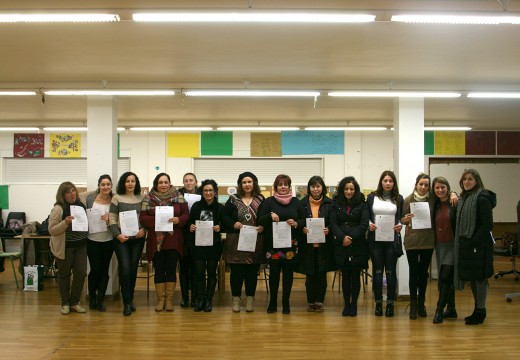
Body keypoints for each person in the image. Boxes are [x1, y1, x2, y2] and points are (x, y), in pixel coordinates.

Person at [140, 173, 189, 312]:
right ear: (156, 184)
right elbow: (143, 218)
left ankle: (169, 300)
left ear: (170, 183)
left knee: (172, 269)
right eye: (160, 182)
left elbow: (186, 215)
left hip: (173, 239)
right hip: (156, 241)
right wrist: (158, 219)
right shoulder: (148, 198)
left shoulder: (179, 197)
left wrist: (178, 220)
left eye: (165, 182)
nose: (163, 185)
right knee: (159, 270)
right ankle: (160, 300)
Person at [258, 174, 305, 314]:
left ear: (289, 187)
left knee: (288, 275)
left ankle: (286, 302)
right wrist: (269, 216)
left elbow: (304, 219)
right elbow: (259, 220)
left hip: (290, 245)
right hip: (273, 245)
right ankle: (272, 302)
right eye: (280, 184)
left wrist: (296, 223)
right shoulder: (268, 202)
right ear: (275, 187)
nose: (283, 187)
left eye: (285, 184)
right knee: (273, 274)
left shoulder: (296, 202)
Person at [455, 168, 496, 325]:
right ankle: (477, 310)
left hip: (479, 246)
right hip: (468, 245)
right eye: (464, 179)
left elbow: (487, 225)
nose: (466, 182)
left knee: (479, 279)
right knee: (472, 278)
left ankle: (481, 311)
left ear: (477, 181)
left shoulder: (482, 199)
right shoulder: (465, 198)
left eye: (470, 179)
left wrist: (473, 242)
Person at [222, 172, 265, 313]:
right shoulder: (233, 199)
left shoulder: (261, 199)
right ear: (240, 184)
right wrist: (233, 223)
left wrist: (263, 226)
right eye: (244, 182)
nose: (247, 184)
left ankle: (250, 299)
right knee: (236, 272)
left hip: (254, 241)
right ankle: (236, 299)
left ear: (254, 183)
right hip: (235, 241)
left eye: (250, 182)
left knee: (252, 272)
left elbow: (264, 217)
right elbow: (223, 216)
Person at [330, 176, 369, 317]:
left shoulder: (362, 204)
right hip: (341, 245)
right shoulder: (335, 204)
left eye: (352, 189)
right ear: (342, 190)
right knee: (345, 276)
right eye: (346, 189)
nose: (349, 191)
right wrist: (342, 238)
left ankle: (354, 306)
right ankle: (347, 304)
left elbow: (364, 223)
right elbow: (333, 223)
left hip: (358, 245)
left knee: (355, 276)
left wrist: (351, 237)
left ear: (355, 190)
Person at [367, 170, 403, 317]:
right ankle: (378, 304)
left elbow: (400, 217)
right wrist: (369, 223)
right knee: (377, 271)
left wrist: (400, 224)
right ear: (381, 182)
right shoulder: (371, 197)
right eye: (385, 180)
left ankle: (390, 304)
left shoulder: (398, 198)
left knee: (390, 271)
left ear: (394, 183)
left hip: (391, 240)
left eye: (390, 181)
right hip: (375, 239)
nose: (388, 183)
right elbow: (367, 216)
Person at [49, 181, 88, 315]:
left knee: (81, 273)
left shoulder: (81, 201)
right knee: (64, 275)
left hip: (81, 245)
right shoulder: (58, 209)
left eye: (73, 191)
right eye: (68, 192)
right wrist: (65, 222)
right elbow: (52, 230)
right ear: (62, 195)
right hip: (65, 247)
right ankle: (65, 303)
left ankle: (75, 302)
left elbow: (95, 192)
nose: (72, 194)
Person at [109, 171, 146, 316]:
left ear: (136, 183)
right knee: (124, 269)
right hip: (121, 240)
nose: (130, 184)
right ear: (123, 183)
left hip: (137, 239)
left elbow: (145, 218)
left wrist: (145, 230)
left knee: (132, 269)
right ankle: (126, 303)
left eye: (133, 181)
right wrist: (117, 235)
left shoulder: (142, 198)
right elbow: (112, 219)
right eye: (127, 181)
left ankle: (130, 299)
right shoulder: (116, 198)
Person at [298, 176, 336, 313]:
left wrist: (329, 229)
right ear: (309, 188)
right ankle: (310, 301)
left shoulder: (330, 204)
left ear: (322, 188)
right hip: (307, 245)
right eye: (313, 186)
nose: (315, 189)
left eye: (318, 186)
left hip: (323, 246)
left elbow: (334, 222)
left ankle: (319, 301)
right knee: (310, 275)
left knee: (321, 275)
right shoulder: (301, 204)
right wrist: (302, 228)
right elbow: (299, 221)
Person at [401, 173, 435, 320]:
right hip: (412, 242)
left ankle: (422, 304)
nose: (423, 187)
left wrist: (453, 193)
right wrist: (405, 219)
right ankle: (413, 305)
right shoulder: (408, 199)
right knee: (413, 273)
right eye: (421, 184)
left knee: (423, 274)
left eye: (426, 185)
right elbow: (402, 219)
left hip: (428, 241)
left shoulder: (433, 200)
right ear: (416, 184)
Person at [188, 179, 225, 312]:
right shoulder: (196, 206)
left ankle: (209, 299)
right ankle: (200, 299)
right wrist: (191, 226)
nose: (208, 193)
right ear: (202, 192)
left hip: (213, 245)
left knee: (211, 273)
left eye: (210, 190)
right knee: (198, 273)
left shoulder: (220, 207)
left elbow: (225, 225)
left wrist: (219, 227)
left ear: (215, 192)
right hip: (198, 245)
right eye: (205, 190)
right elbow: (189, 222)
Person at [79, 174, 114, 312]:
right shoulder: (90, 198)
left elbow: (118, 219)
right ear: (99, 186)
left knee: (104, 271)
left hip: (109, 240)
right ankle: (92, 296)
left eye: (108, 184)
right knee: (94, 270)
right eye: (103, 184)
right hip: (92, 240)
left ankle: (100, 300)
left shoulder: (114, 199)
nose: (105, 187)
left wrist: (110, 220)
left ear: (111, 186)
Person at [431, 176, 458, 324]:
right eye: (437, 187)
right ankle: (452, 308)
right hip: (439, 245)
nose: (440, 190)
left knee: (445, 277)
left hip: (452, 244)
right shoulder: (434, 204)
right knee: (444, 277)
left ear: (448, 188)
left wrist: (454, 193)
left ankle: (439, 310)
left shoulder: (454, 202)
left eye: (443, 187)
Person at [178, 172, 199, 307]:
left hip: (198, 235)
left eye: (191, 180)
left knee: (196, 268)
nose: (188, 183)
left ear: (196, 182)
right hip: (182, 235)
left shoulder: (203, 195)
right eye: (186, 180)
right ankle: (185, 296)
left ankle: (195, 296)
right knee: (184, 267)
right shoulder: (177, 195)